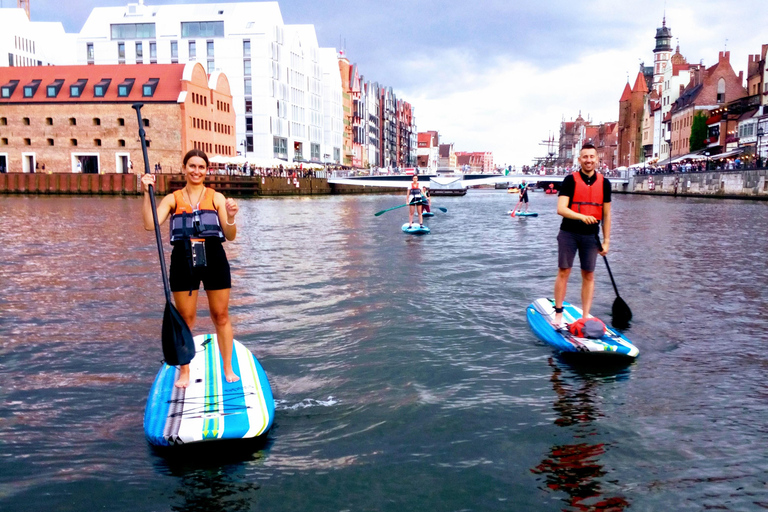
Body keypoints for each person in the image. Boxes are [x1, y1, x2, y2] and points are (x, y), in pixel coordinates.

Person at [141, 149, 240, 388]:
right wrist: (145, 193)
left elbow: (230, 235)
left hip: (214, 257)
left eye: (201, 167)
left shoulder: (216, 197)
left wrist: (230, 216)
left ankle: (227, 367)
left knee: (221, 315)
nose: (196, 171)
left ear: (207, 170)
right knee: (186, 318)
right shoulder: (172, 199)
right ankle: (184, 371)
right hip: (183, 259)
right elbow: (150, 224)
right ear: (184, 168)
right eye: (192, 166)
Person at [553, 143, 611, 327]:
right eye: (585, 157)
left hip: (591, 236)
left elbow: (606, 215)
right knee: (564, 271)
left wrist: (606, 241)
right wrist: (582, 216)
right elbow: (561, 209)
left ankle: (585, 317)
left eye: (592, 157)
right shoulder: (570, 180)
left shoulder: (605, 183)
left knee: (589, 275)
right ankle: (558, 313)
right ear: (579, 160)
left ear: (597, 159)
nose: (589, 160)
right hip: (569, 233)